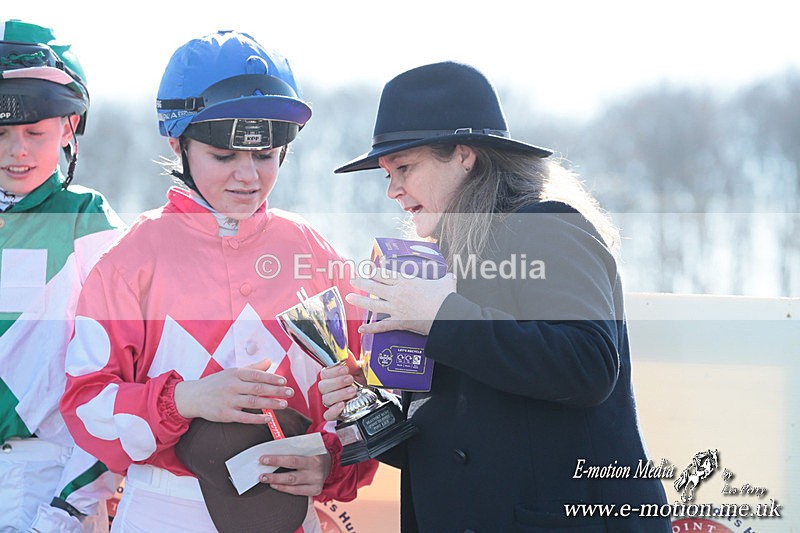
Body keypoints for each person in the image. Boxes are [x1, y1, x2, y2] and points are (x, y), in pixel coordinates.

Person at [318, 61, 671, 532]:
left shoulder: (548, 225)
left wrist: (442, 317)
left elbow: (588, 368)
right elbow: (447, 448)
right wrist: (361, 407)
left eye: (404, 167)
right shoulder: (434, 268)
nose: (392, 190)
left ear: (465, 155)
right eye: (386, 174)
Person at [58, 30, 377, 532]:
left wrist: (331, 464)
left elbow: (364, 395)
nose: (247, 176)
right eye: (224, 157)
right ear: (177, 143)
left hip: (289, 514)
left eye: (266, 155)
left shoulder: (316, 254)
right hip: (165, 511)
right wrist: (185, 400)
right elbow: (83, 406)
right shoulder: (129, 260)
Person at [0, 19, 125, 532]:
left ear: (69, 129)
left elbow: (124, 369)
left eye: (35, 132)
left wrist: (72, 505)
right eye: (1, 133)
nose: (18, 151)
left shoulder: (87, 220)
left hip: (47, 480)